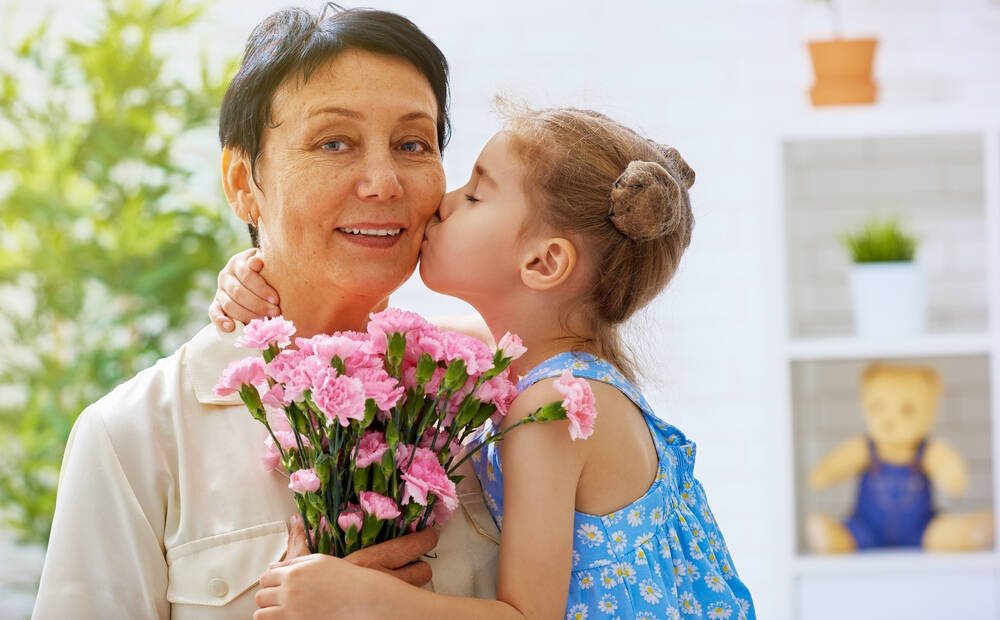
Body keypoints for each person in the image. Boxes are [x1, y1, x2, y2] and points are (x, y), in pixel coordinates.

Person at [32, 5, 499, 620]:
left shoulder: (487, 402)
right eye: (335, 142)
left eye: (412, 144)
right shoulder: (135, 436)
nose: (384, 182)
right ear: (241, 182)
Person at [212, 105, 757, 619]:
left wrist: (360, 597)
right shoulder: (530, 363)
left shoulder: (554, 408)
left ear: (543, 262)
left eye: (476, 194)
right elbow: (360, 320)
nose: (443, 202)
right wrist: (251, 272)